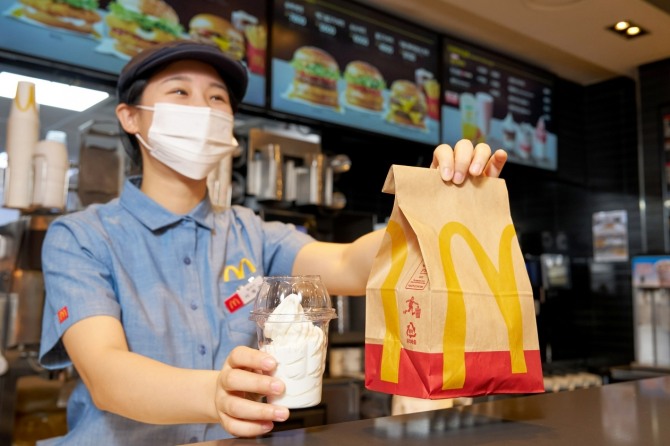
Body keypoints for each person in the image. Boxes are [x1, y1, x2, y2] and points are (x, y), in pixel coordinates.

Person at [37, 40, 508, 445]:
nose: (204, 109)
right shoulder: (81, 237)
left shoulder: (252, 233)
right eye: (180, 91)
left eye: (218, 97)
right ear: (130, 117)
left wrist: (434, 210)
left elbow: (349, 263)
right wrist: (214, 393)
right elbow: (107, 375)